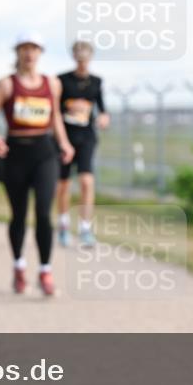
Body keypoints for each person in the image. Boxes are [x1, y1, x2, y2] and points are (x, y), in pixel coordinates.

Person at [0, 32, 74, 296]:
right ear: (17, 52)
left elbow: (55, 116)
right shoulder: (6, 85)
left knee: (44, 213)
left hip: (44, 152)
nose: (29, 53)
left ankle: (45, 271)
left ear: (40, 53)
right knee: (19, 214)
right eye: (24, 48)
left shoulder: (52, 84)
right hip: (16, 154)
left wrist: (65, 143)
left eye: (34, 48)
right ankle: (19, 266)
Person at [55, 40, 109, 247]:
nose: (82, 61)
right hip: (65, 137)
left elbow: (102, 108)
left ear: (90, 58)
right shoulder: (62, 80)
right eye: (79, 57)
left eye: (85, 57)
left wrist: (103, 117)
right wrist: (69, 108)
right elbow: (54, 109)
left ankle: (85, 227)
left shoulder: (96, 82)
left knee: (87, 181)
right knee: (64, 183)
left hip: (86, 136)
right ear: (74, 57)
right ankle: (63, 224)